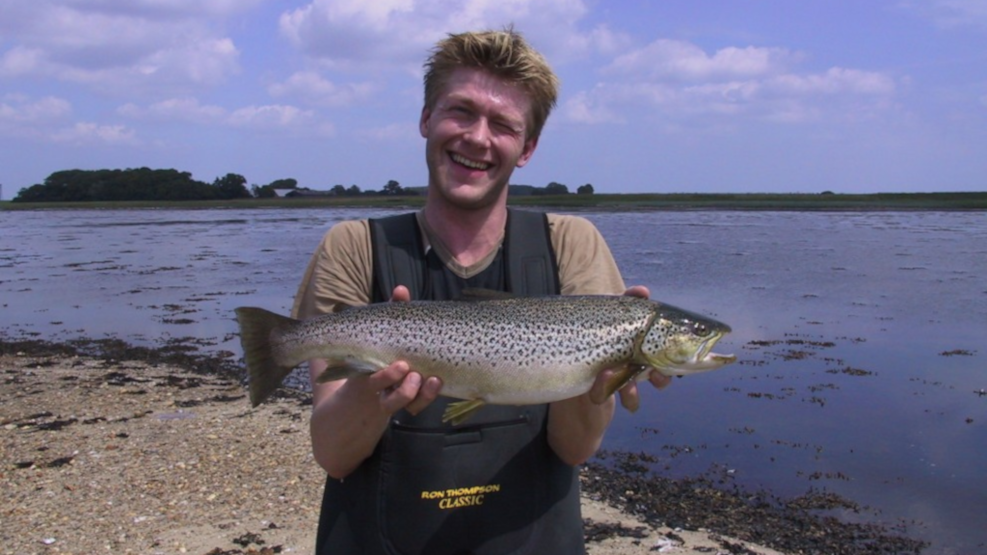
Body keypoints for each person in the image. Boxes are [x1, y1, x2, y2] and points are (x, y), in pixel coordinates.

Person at [291, 27, 671, 555]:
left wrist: (594, 381)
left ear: (527, 148)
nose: (477, 137)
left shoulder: (573, 244)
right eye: (461, 111)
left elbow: (575, 447)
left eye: (503, 125)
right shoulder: (352, 247)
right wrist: (373, 387)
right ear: (426, 119)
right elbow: (334, 455)